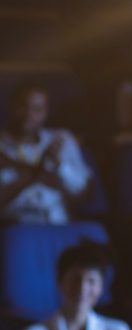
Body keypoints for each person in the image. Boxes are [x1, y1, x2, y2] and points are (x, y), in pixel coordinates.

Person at [0, 81, 91, 224]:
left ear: (46, 112)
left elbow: (84, 195)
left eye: (37, 109)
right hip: (16, 227)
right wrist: (38, 173)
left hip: (58, 222)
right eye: (23, 106)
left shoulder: (61, 139)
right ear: (11, 106)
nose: (29, 114)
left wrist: (60, 167)